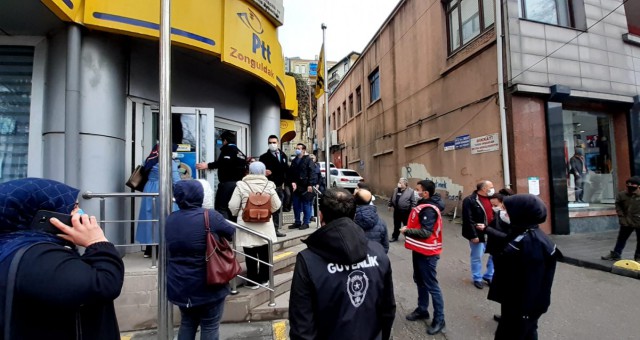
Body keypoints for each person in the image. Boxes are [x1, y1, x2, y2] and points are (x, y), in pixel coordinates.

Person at [0, 178, 124, 339]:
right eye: (74, 207)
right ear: (43, 217)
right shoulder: (39, 256)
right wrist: (97, 242)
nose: (82, 214)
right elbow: (104, 283)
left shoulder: (13, 246)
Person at [289, 188, 396, 340]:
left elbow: (301, 326)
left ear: (321, 216)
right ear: (353, 215)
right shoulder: (378, 252)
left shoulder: (308, 260)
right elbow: (388, 310)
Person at [166, 180, 236, 340]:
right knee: (210, 325)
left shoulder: (170, 219)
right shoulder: (210, 216)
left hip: (180, 283)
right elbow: (230, 231)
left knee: (187, 323)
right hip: (208, 282)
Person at [492, 194, 562, 340]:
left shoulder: (531, 243)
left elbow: (532, 283)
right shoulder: (524, 233)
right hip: (517, 305)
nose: (502, 212)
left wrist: (524, 314)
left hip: (521, 308)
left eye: (506, 209)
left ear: (520, 213)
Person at [401, 179, 446, 335]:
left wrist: (407, 230)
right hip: (419, 251)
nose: (415, 191)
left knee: (431, 285)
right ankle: (422, 309)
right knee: (420, 281)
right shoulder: (423, 204)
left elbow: (426, 232)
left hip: (428, 253)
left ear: (425, 193)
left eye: (417, 189)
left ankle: (439, 319)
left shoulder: (429, 209)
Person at [229, 161, 282, 288]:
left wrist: (238, 214)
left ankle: (252, 281)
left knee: (250, 253)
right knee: (264, 252)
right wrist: (266, 212)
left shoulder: (241, 185)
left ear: (249, 171)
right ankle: (264, 279)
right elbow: (277, 205)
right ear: (264, 172)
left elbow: (233, 205)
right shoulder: (269, 185)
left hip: (246, 225)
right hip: (265, 224)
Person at [475, 188, 515, 323]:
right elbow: (494, 227)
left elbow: (507, 237)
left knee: (511, 289)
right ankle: (506, 315)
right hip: (499, 253)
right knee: (504, 289)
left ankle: (512, 318)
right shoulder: (501, 215)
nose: (493, 208)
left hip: (507, 256)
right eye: (492, 205)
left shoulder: (514, 219)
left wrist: (487, 229)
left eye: (496, 205)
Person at [136, 144, 181, 257]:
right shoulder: (170, 162)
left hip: (149, 190)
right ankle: (163, 249)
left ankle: (149, 250)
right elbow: (176, 181)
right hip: (163, 190)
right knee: (165, 218)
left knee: (149, 219)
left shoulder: (149, 159)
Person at [196, 131, 247, 221]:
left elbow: (224, 162)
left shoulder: (228, 149)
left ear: (225, 141)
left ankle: (224, 232)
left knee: (221, 208)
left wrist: (208, 165)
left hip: (227, 184)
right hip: (238, 184)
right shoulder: (240, 153)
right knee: (232, 209)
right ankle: (233, 232)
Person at [461, 180, 496, 289]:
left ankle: (489, 276)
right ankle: (477, 278)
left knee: (494, 255)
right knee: (477, 256)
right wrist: (473, 235)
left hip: (492, 232)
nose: (493, 189)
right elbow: (468, 219)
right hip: (478, 233)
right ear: (484, 189)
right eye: (491, 187)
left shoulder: (493, 198)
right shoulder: (470, 200)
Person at [601, 176, 640, 261]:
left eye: (632, 184)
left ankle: (638, 257)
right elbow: (618, 205)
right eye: (628, 184)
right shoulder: (622, 195)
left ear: (638, 186)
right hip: (626, 221)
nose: (630, 186)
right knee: (621, 239)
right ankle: (616, 254)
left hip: (638, 221)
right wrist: (621, 217)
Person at [259, 135, 289, 237]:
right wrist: (264, 172)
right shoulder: (263, 157)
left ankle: (275, 229)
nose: (272, 144)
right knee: (267, 208)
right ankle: (266, 229)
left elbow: (286, 170)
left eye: (274, 142)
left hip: (279, 186)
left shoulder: (283, 155)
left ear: (278, 143)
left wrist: (287, 182)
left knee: (277, 208)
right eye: (270, 142)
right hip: (268, 186)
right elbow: (258, 172)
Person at [288, 143, 317, 230]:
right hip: (296, 186)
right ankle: (297, 222)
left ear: (303, 150)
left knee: (306, 205)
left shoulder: (308, 160)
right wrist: (292, 182)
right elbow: (291, 173)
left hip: (305, 185)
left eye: (299, 148)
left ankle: (306, 222)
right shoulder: (294, 161)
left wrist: (310, 184)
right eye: (296, 148)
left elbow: (312, 172)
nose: (297, 150)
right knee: (296, 205)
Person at [353, 189, 389, 253]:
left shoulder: (349, 221)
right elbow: (385, 246)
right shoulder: (381, 223)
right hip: (375, 259)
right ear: (370, 201)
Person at [388, 177, 416, 242]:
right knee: (396, 224)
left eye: (400, 182)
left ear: (405, 183)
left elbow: (413, 202)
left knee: (406, 225)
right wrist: (389, 205)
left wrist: (412, 211)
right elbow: (392, 198)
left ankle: (408, 237)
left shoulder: (410, 191)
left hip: (406, 211)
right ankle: (395, 237)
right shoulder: (396, 190)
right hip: (397, 210)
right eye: (399, 182)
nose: (399, 184)